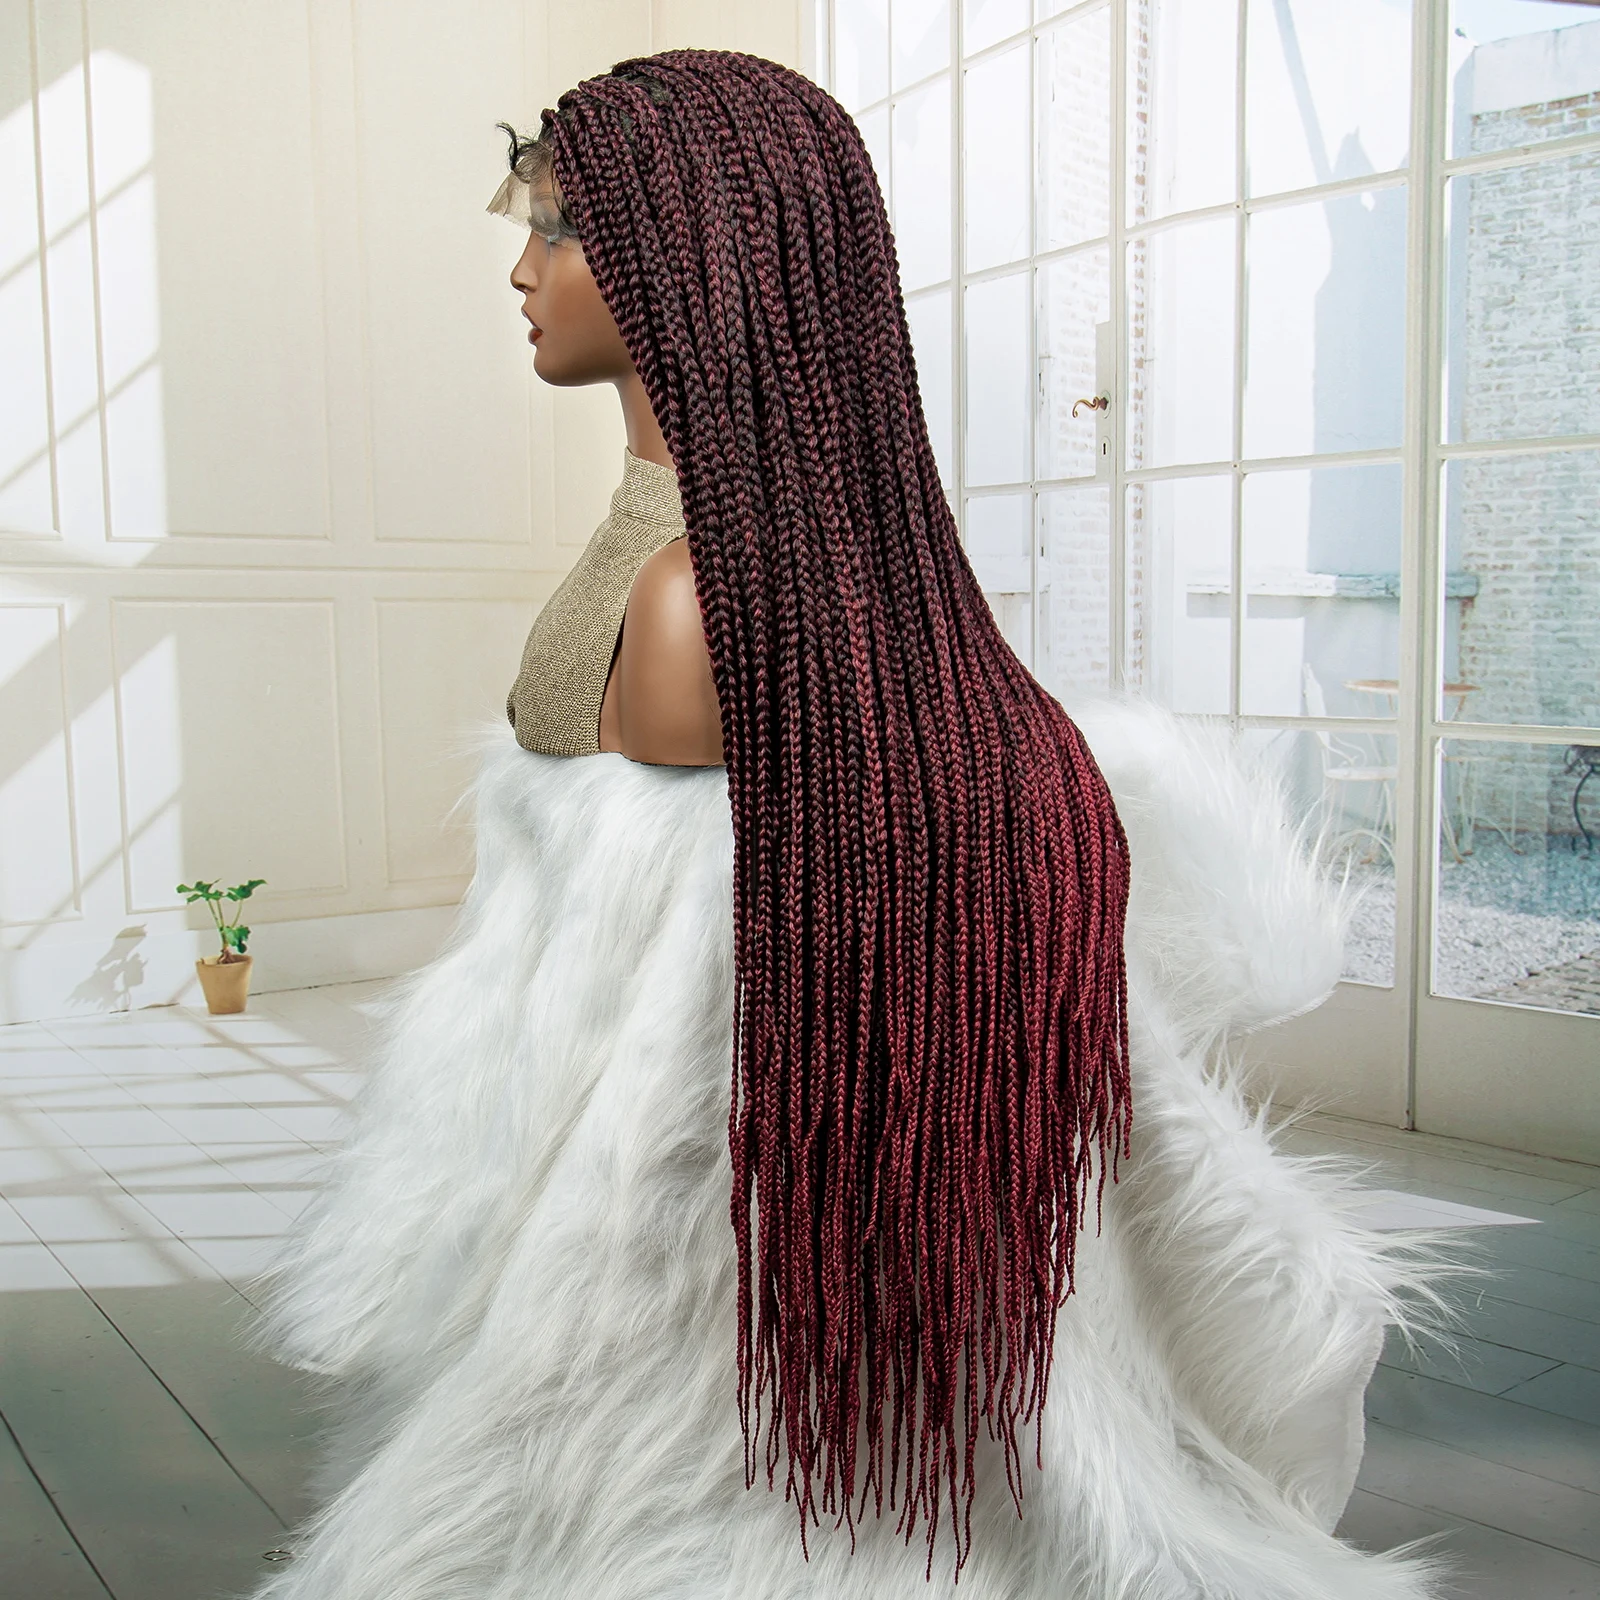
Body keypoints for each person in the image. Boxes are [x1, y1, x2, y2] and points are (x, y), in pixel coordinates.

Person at [245, 49, 1449, 1600]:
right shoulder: (741, 576)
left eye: (556, 225)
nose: (523, 269)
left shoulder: (691, 608)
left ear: (688, 252)